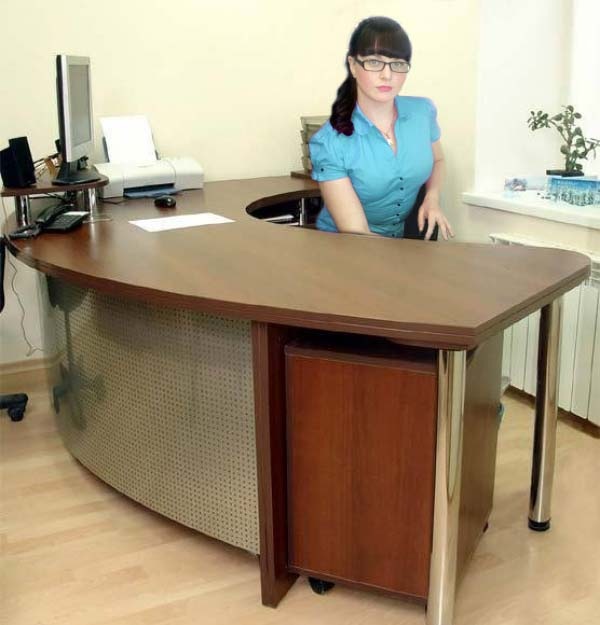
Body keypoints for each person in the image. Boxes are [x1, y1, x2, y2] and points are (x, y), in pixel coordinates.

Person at [309, 16, 453, 240]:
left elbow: (438, 160)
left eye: (398, 64)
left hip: (400, 243)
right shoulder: (329, 142)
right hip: (346, 248)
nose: (387, 75)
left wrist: (431, 198)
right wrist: (407, 255)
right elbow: (358, 235)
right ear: (353, 66)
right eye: (375, 62)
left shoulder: (422, 112)